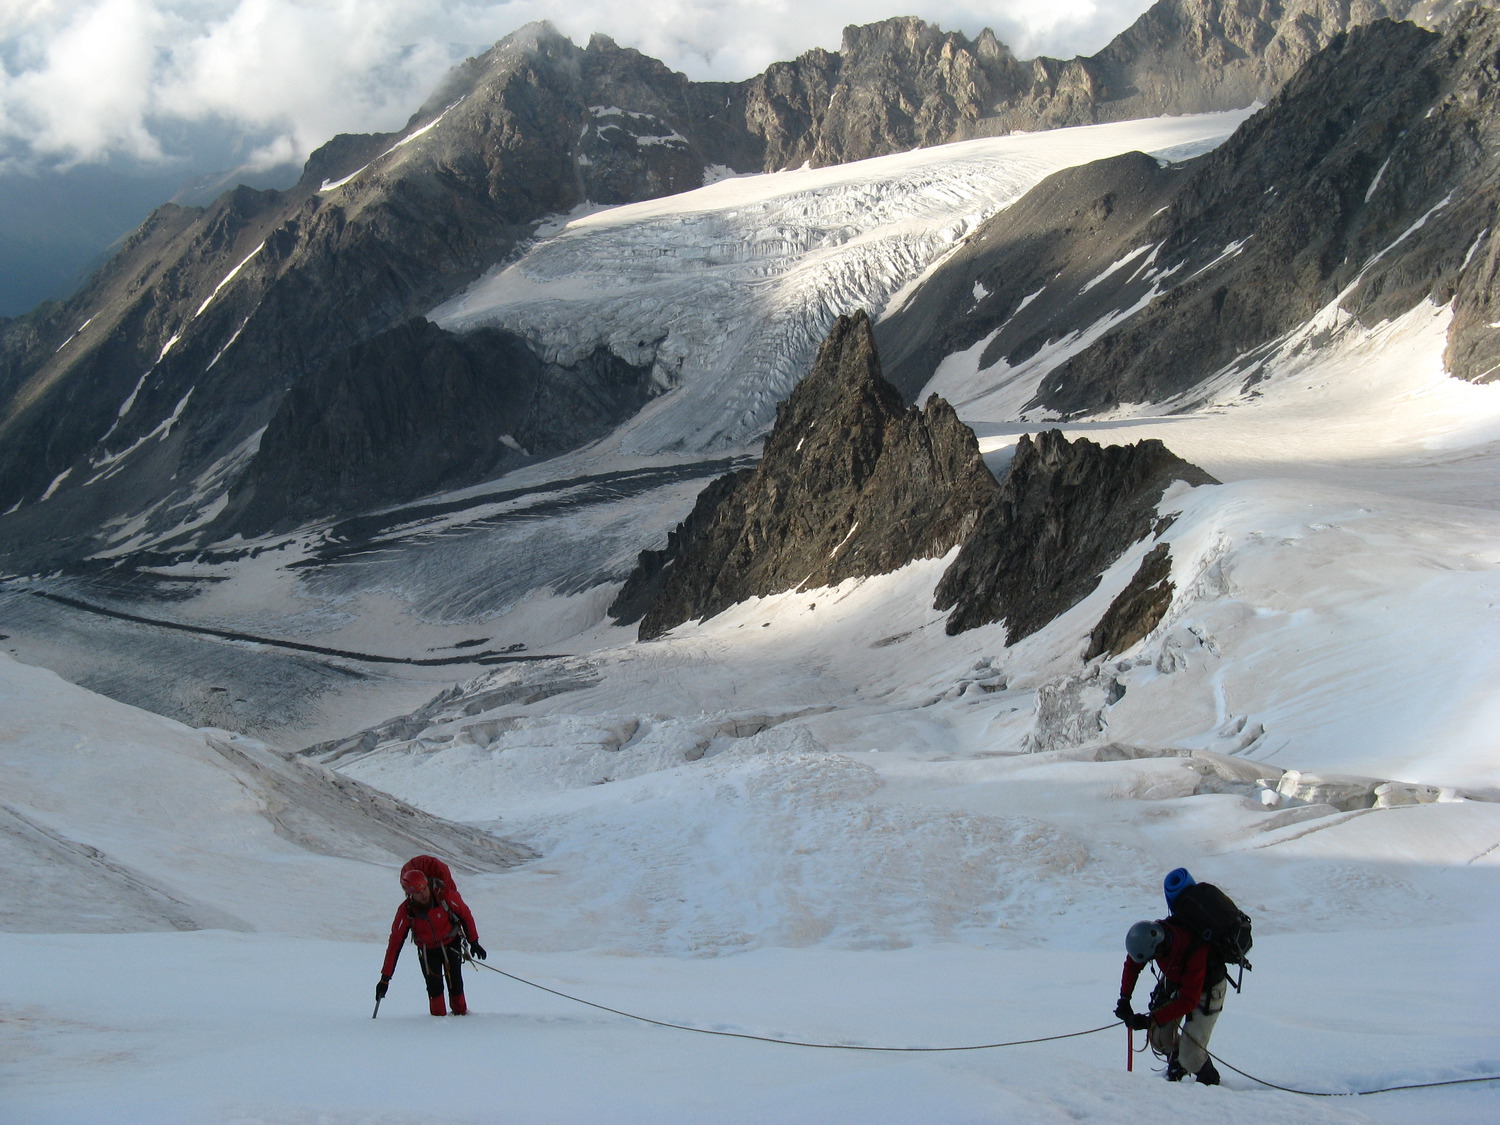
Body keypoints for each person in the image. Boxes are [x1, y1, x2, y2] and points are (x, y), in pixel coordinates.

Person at [1114, 869, 1228, 1085]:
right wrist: (1124, 999)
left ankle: (1209, 1081)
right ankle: (1178, 1064)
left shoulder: (1194, 949)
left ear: (1158, 948)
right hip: (1177, 984)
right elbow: (1132, 964)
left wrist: (1151, 1019)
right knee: (1159, 1038)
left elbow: (1189, 1000)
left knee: (1192, 1056)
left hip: (1208, 989)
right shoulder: (1154, 939)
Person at [375, 856, 487, 1016]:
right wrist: (385, 978)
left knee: (456, 984)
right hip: (428, 951)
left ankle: (461, 1016)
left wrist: (474, 941)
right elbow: (395, 943)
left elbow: (465, 914)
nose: (424, 894)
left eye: (425, 889)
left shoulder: (444, 895)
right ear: (410, 894)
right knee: (434, 989)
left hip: (451, 944)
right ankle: (437, 1023)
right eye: (419, 892)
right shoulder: (406, 911)